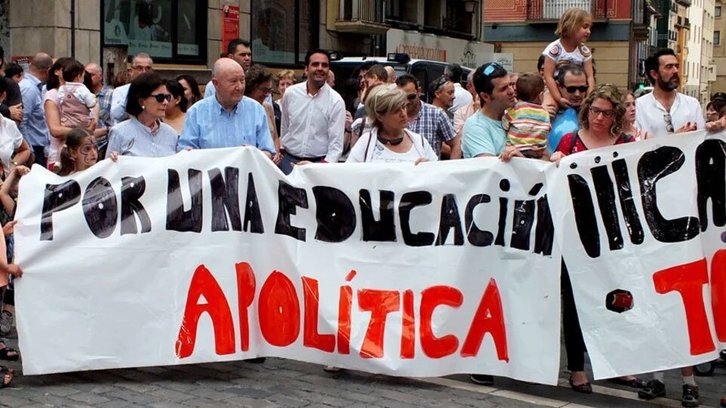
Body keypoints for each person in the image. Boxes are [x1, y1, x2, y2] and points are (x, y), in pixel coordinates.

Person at [550, 84, 646, 395]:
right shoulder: (571, 140)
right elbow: (552, 170)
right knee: (575, 300)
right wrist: (554, 160)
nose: (598, 118)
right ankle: (577, 369)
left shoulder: (628, 142)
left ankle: (617, 362)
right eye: (594, 111)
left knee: (617, 297)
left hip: (613, 234)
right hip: (574, 232)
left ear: (617, 115)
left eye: (606, 113)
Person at [179, 58, 275, 158]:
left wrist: (254, 154)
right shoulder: (196, 113)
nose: (240, 87)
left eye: (242, 80)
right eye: (233, 81)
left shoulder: (256, 110)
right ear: (216, 83)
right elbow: (186, 152)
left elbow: (268, 151)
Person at [279, 49, 346, 173]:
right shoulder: (291, 93)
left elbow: (336, 146)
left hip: (318, 164)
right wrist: (282, 152)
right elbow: (285, 126)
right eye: (315, 64)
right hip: (288, 161)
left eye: (324, 65)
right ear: (306, 69)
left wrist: (320, 167)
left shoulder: (336, 101)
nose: (320, 68)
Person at [347, 85, 437, 164]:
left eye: (403, 106)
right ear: (380, 116)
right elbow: (350, 175)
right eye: (396, 110)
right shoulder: (365, 142)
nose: (403, 113)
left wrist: (427, 168)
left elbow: (438, 175)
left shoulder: (420, 142)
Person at [45, 58, 107, 171]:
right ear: (57, 72)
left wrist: (106, 131)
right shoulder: (53, 95)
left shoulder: (87, 96)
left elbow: (91, 129)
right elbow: (55, 130)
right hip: (61, 159)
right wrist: (83, 131)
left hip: (86, 159)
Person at [105, 72, 178, 158]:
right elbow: (110, 168)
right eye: (160, 98)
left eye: (167, 97)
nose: (165, 102)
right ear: (141, 101)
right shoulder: (119, 132)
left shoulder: (171, 134)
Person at [636, 48, 705, 137]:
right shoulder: (640, 106)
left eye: (676, 66)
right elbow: (636, 144)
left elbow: (702, 139)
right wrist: (675, 138)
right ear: (654, 74)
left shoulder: (692, 104)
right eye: (669, 67)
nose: (675, 71)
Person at [461, 62, 518, 161]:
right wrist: (521, 160)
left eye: (510, 84)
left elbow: (544, 157)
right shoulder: (475, 126)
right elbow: (491, 169)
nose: (512, 91)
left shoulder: (515, 117)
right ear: (485, 96)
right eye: (504, 88)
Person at [396, 74, 460, 160]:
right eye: (401, 98)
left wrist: (452, 169)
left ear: (419, 91)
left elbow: (455, 143)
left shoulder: (436, 114)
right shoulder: (392, 117)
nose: (407, 101)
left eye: (411, 97)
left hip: (430, 171)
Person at [542, 8, 595, 109]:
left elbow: (590, 77)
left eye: (589, 28)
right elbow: (548, 76)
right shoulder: (554, 49)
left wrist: (589, 97)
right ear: (571, 25)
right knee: (550, 108)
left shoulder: (584, 51)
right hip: (556, 90)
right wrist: (558, 98)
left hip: (577, 91)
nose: (588, 31)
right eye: (585, 27)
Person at [502, 73, 550, 159]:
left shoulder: (515, 109)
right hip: (538, 152)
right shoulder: (545, 113)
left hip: (516, 150)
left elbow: (505, 124)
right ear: (541, 95)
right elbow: (548, 128)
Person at [19, 52, 53, 167]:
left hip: (36, 148)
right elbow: (21, 122)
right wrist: (29, 151)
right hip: (33, 149)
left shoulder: (33, 88)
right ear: (48, 71)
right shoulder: (29, 89)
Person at [546, 64, 588, 152]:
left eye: (582, 88)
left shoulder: (596, 111)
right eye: (571, 89)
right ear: (558, 86)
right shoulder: (545, 110)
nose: (577, 94)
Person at [244, 64, 281, 161]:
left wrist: (276, 153)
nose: (267, 94)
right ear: (251, 87)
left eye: (269, 90)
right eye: (264, 90)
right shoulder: (241, 109)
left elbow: (275, 137)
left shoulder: (267, 107)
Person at [109, 52, 154, 124]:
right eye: (139, 68)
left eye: (148, 68)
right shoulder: (121, 91)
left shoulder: (157, 91)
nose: (144, 72)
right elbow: (116, 115)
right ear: (131, 71)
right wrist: (131, 94)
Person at [85, 63, 113, 129]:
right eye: (86, 75)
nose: (88, 78)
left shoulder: (111, 94)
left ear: (100, 76)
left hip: (105, 136)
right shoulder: (81, 94)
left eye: (91, 75)